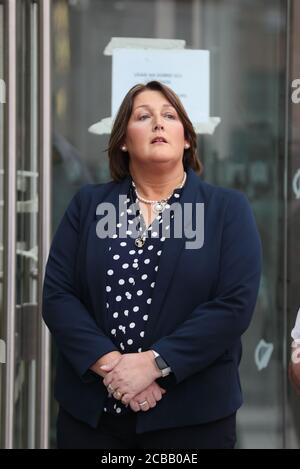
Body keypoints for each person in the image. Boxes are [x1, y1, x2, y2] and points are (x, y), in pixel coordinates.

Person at [42, 80, 262, 449]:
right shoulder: (89, 205)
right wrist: (113, 368)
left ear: (187, 139)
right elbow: (58, 296)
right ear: (124, 141)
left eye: (169, 116)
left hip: (192, 419)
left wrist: (153, 365)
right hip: (93, 420)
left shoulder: (226, 209)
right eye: (143, 116)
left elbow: (234, 305)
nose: (158, 123)